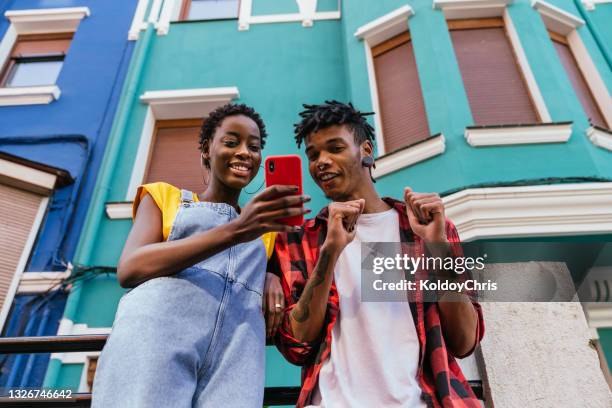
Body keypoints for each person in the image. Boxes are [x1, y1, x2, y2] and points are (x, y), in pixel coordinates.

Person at [269, 101, 484, 407]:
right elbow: (298, 346)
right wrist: (329, 253)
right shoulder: (300, 239)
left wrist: (437, 247)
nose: (322, 162)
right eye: (313, 154)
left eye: (335, 148)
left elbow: (464, 341)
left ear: (366, 150)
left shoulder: (425, 228)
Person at [92, 103, 309, 407]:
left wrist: (270, 274)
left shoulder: (268, 231)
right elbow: (130, 268)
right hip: (155, 340)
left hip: (235, 357)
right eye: (231, 142)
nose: (245, 152)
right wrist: (236, 230)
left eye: (254, 146)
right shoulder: (164, 198)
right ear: (207, 149)